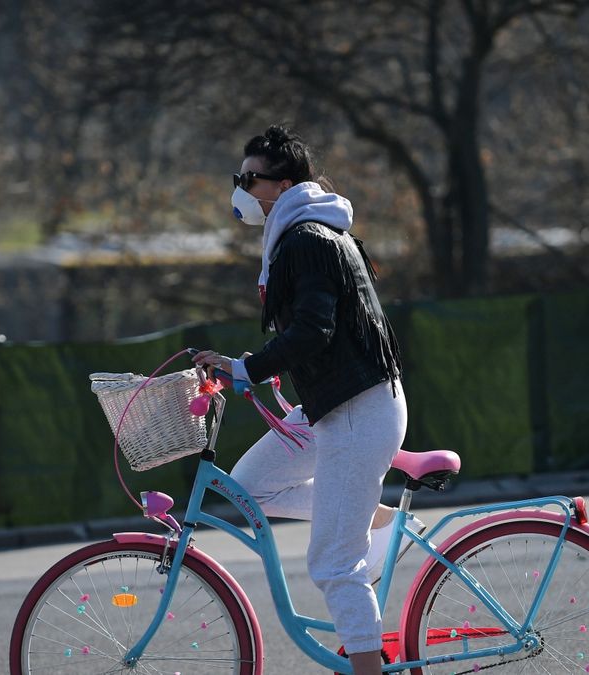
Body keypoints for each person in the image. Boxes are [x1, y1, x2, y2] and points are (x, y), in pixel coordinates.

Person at [192, 125, 419, 675]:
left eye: (250, 179)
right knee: (248, 488)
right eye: (238, 177)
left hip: (358, 412)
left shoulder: (308, 239)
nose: (241, 189)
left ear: (282, 185)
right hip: (333, 406)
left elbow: (314, 331)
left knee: (335, 565)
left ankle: (367, 668)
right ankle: (381, 521)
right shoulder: (300, 235)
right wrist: (251, 370)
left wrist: (247, 367)